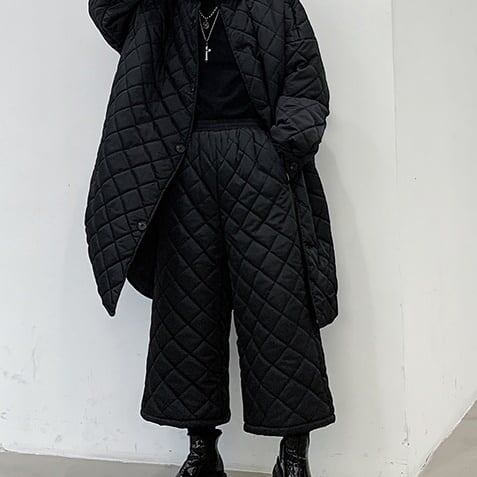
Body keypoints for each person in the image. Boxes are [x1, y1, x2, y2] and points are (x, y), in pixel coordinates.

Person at [86, 0, 339, 475]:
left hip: (259, 162)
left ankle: (293, 454)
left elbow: (305, 78)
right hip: (183, 165)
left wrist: (282, 153)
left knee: (280, 308)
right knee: (189, 311)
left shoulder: (274, 3)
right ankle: (202, 450)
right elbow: (108, 10)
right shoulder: (159, 8)